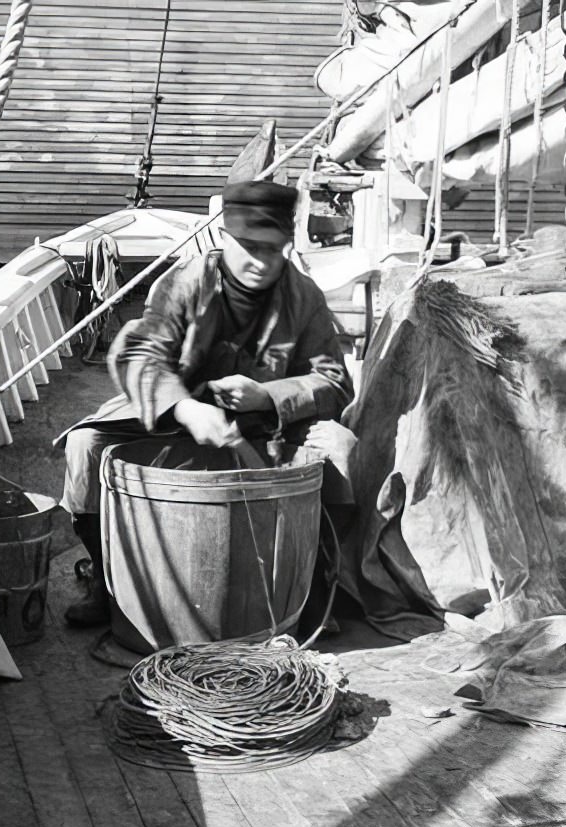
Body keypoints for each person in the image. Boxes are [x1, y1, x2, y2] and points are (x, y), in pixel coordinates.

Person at [57, 179, 354, 626]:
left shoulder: (304, 295)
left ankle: (311, 584)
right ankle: (106, 580)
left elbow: (334, 382)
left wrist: (268, 396)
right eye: (249, 247)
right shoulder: (186, 281)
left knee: (342, 450)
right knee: (87, 448)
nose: (260, 262)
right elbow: (138, 352)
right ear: (226, 238)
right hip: (175, 419)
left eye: (274, 250)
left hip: (269, 428)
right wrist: (183, 406)